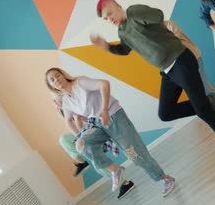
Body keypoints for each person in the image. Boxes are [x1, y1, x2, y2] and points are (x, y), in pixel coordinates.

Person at [92, 0, 215, 170]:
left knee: (203, 111)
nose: (110, 19)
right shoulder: (122, 32)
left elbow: (158, 16)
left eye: (110, 13)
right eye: (106, 19)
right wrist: (107, 47)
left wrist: (141, 16)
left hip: (180, 61)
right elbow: (125, 49)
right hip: (167, 71)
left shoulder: (134, 12)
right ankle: (207, 104)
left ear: (116, 5)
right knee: (166, 113)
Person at [45, 68, 175, 197]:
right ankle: (115, 170)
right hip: (96, 125)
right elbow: (68, 120)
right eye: (52, 79)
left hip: (114, 117)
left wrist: (104, 110)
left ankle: (165, 178)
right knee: (81, 144)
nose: (56, 79)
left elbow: (104, 84)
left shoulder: (80, 82)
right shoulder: (66, 101)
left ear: (63, 75)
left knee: (136, 155)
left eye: (58, 75)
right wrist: (80, 135)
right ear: (51, 86)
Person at [163, 20, 215, 121]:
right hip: (182, 65)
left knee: (203, 88)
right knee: (203, 86)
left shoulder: (168, 25)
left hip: (193, 58)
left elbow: (178, 41)